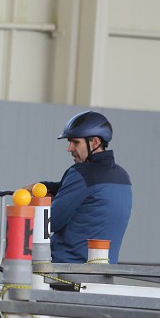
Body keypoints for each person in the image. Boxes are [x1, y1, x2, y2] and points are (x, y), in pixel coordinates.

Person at [27, 110, 131, 264]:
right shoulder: (122, 177)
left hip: (67, 271)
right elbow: (84, 195)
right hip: (104, 272)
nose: (69, 148)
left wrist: (31, 207)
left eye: (75, 142)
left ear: (95, 142)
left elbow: (50, 223)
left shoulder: (81, 174)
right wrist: (45, 186)